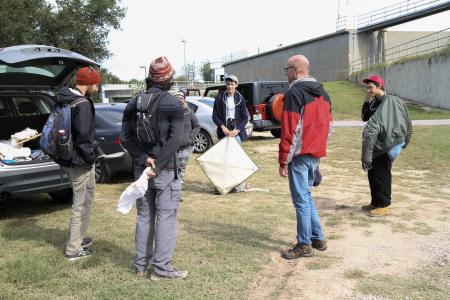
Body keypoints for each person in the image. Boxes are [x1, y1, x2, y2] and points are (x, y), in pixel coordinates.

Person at [121, 56, 187, 280]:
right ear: (168, 78)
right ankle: (161, 269)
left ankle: (140, 266)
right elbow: (174, 140)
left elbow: (125, 138)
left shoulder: (133, 103)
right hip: (165, 170)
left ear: (150, 77)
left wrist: (142, 158)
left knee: (144, 215)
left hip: (141, 169)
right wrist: (157, 165)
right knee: (166, 217)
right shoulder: (172, 103)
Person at [278, 55, 332, 259]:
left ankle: (304, 244)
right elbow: (329, 126)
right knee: (307, 196)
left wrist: (284, 159)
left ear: (297, 69)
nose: (286, 73)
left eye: (287, 69)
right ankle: (317, 237)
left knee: (301, 200)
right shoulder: (324, 92)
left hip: (300, 155)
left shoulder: (294, 92)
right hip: (314, 153)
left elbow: (290, 129)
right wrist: (318, 150)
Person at [55, 66, 101, 261]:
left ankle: (78, 238)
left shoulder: (67, 99)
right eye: (96, 85)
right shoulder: (82, 104)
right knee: (81, 205)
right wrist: (92, 158)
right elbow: (83, 136)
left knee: (85, 201)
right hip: (80, 161)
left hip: (69, 158)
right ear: (89, 84)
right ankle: (73, 250)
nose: (97, 89)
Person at [360, 75, 412, 217]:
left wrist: (405, 139)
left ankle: (384, 205)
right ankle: (376, 202)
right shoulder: (374, 103)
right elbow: (365, 118)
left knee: (381, 174)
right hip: (377, 143)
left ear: (380, 86)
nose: (368, 90)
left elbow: (405, 118)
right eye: (367, 88)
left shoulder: (390, 101)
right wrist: (366, 100)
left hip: (388, 143)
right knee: (372, 173)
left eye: (371, 87)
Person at [212, 74, 249, 192]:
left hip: (236, 131)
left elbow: (244, 117)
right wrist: (222, 126)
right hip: (224, 130)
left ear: (236, 85)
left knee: (237, 160)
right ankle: (223, 185)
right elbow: (215, 115)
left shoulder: (240, 98)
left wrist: (237, 130)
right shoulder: (219, 98)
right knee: (223, 160)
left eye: (232, 84)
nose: (230, 86)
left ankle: (238, 185)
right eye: (228, 84)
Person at [174, 90, 200, 184]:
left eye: (181, 98)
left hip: (185, 146)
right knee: (172, 169)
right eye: (177, 98)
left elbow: (197, 126)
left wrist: (190, 138)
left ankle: (178, 189)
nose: (179, 100)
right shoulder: (169, 112)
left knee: (181, 168)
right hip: (172, 146)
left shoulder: (189, 112)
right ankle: (173, 190)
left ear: (184, 99)